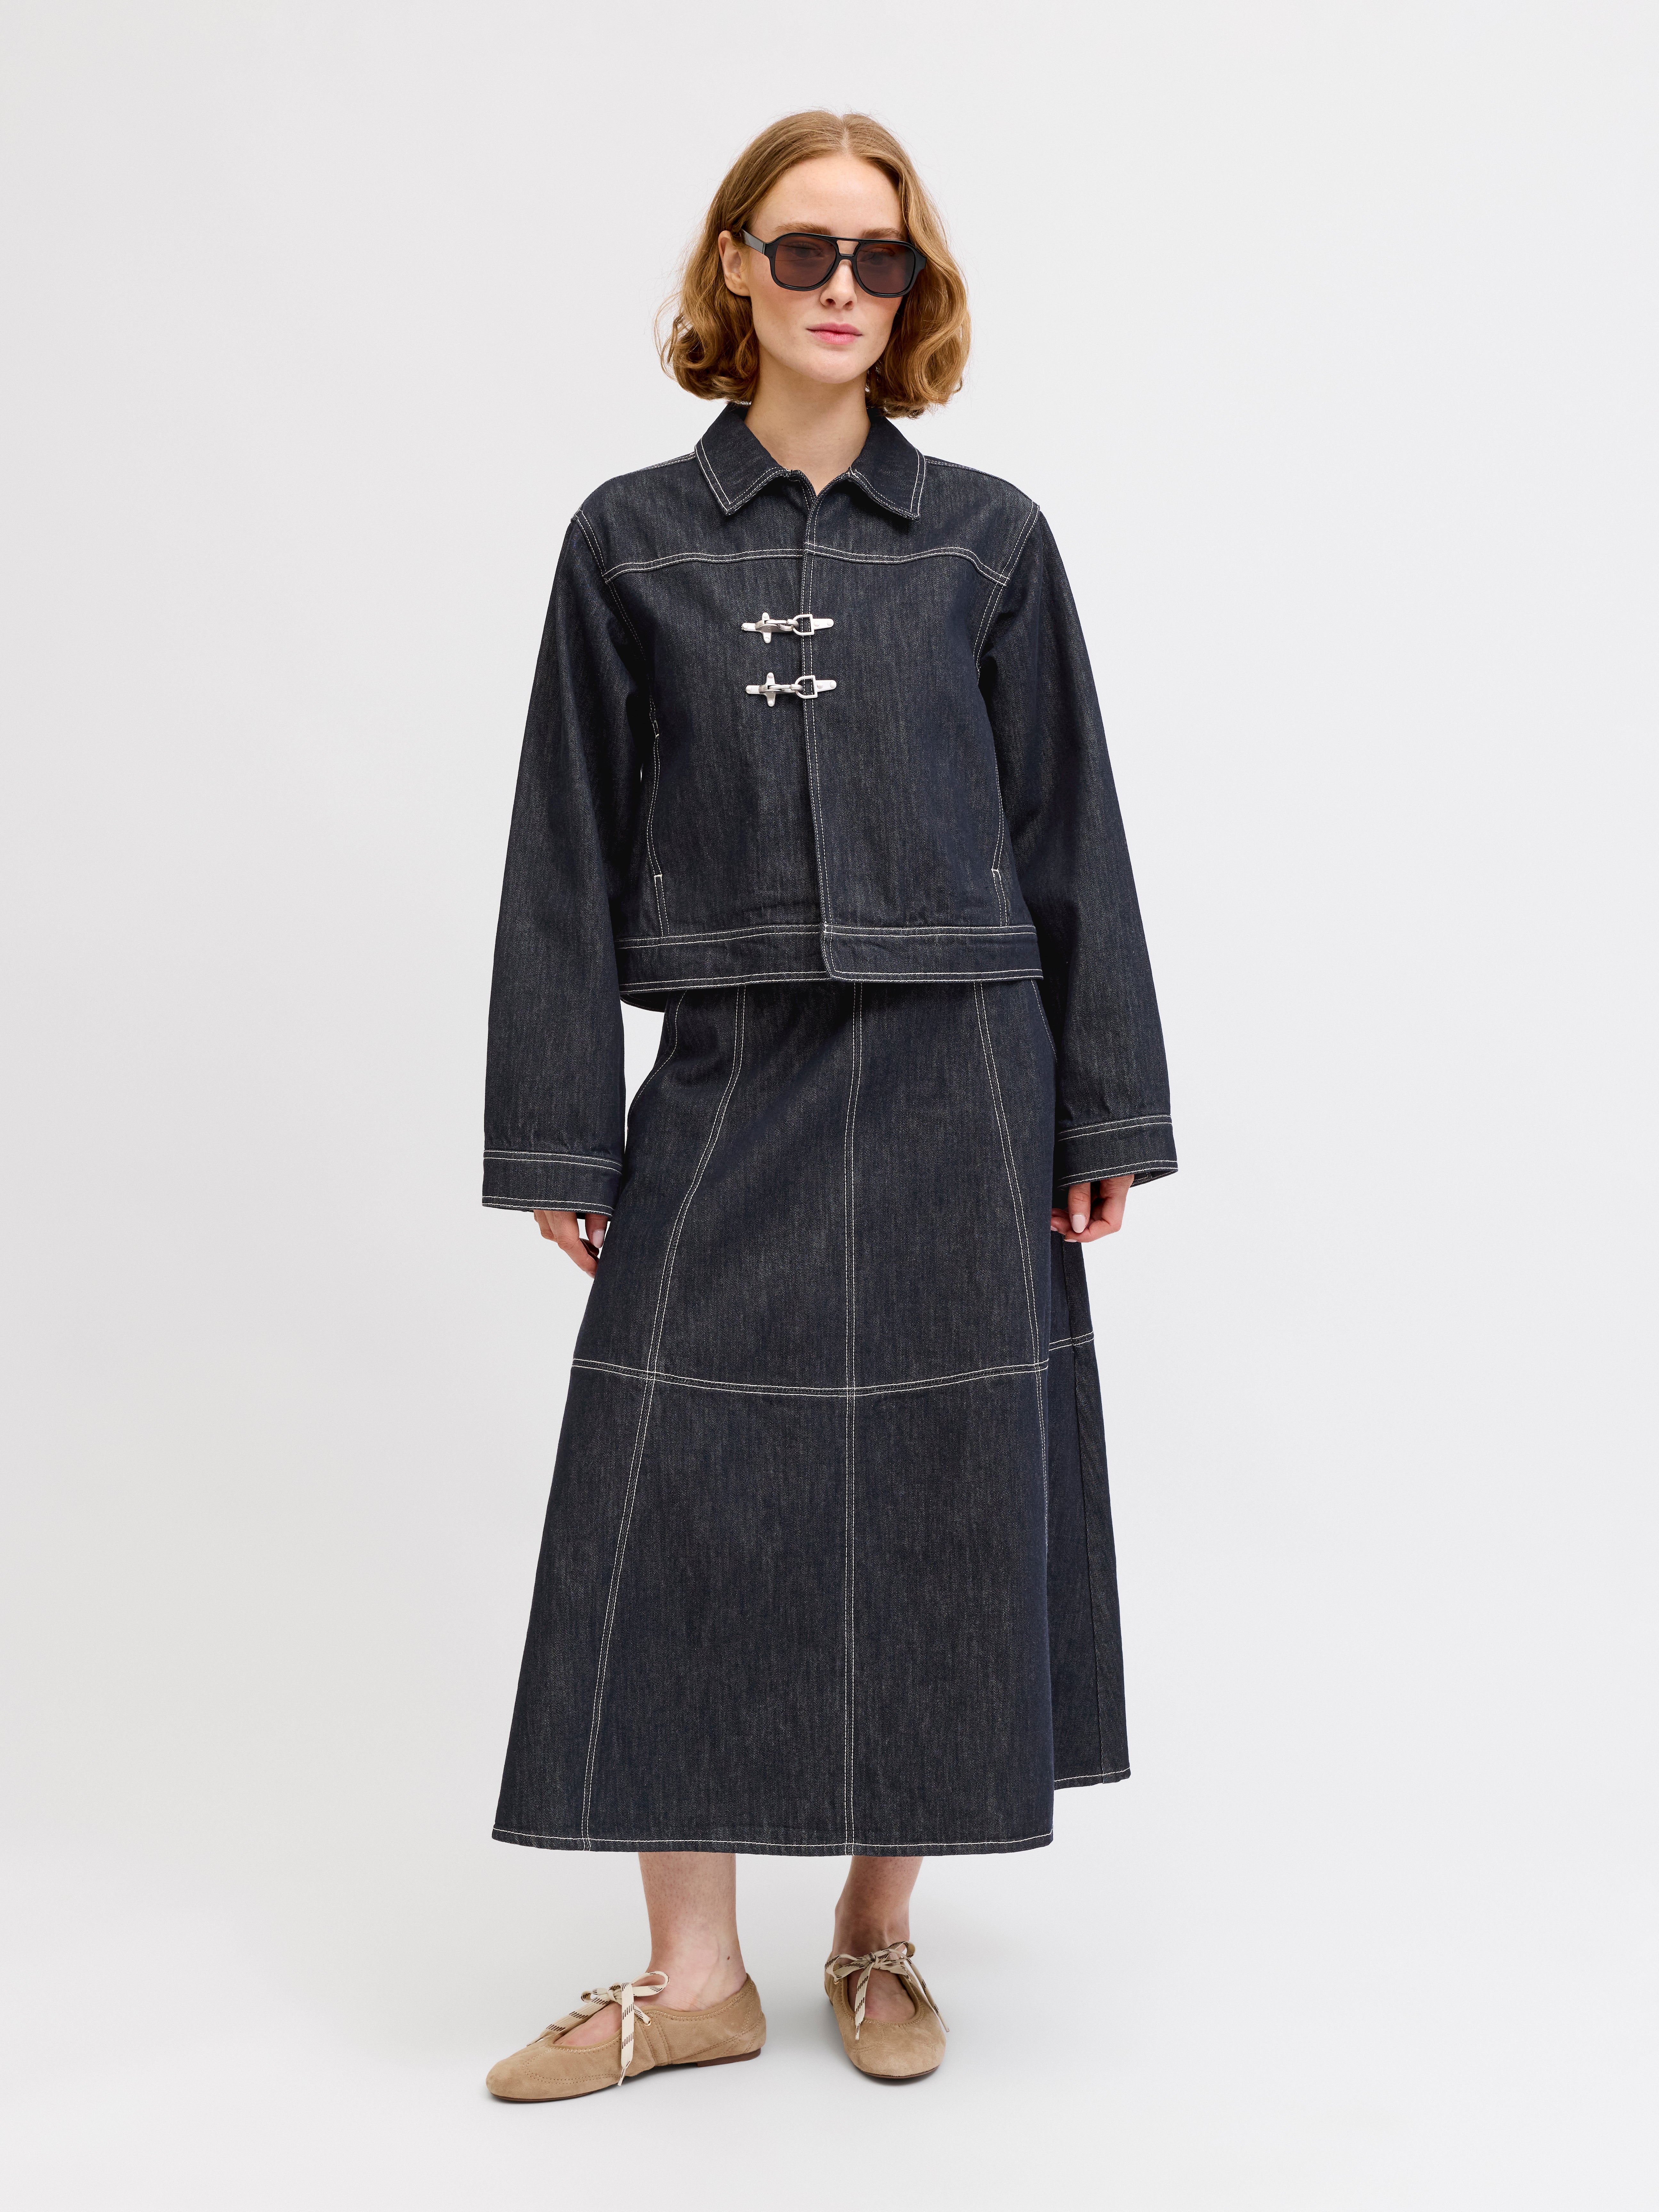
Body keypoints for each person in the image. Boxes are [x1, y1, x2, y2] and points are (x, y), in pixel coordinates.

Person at [479, 109, 1175, 2099]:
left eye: (882, 258)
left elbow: (1070, 830)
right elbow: (562, 849)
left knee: (944, 1506)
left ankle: (878, 1931)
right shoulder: (627, 539)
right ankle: (693, 1978)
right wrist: (562, 1131)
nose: (845, 290)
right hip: (731, 1067)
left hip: (966, 1077)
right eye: (805, 252)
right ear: (735, 268)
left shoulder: (988, 539)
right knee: (674, 1500)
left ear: (914, 285)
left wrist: (1102, 1111)